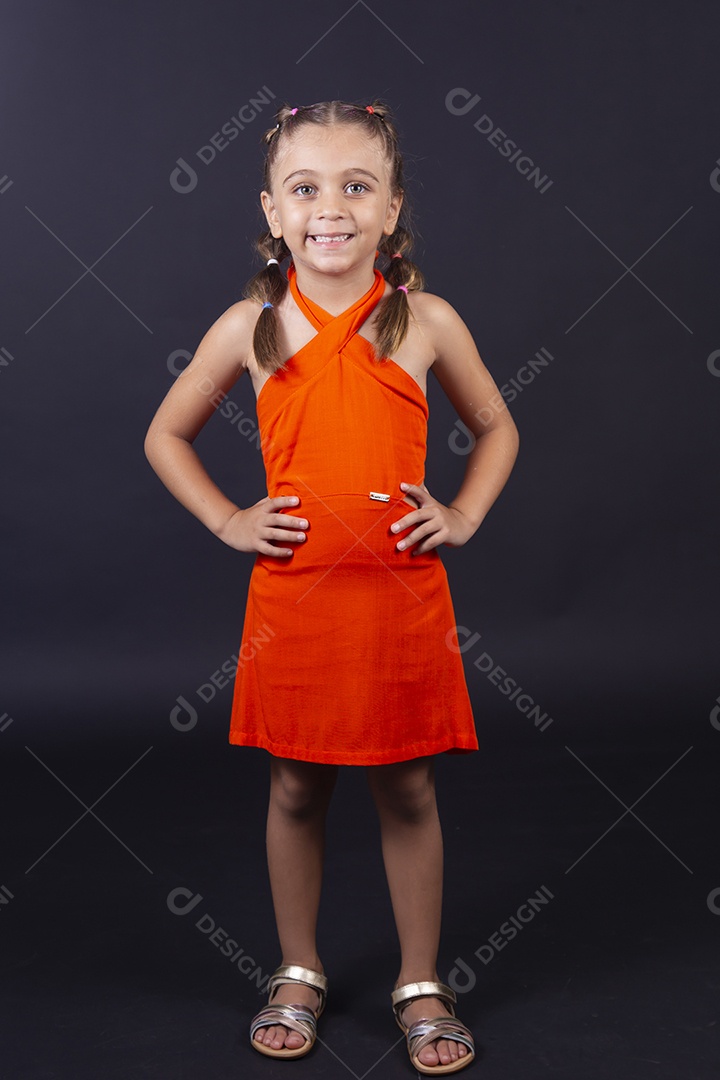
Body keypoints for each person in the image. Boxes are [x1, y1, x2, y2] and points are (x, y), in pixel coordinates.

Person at [144, 98, 519, 1075]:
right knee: (295, 784)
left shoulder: (427, 321)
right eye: (306, 188)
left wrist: (463, 514)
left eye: (357, 186)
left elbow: (498, 426)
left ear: (391, 210)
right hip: (295, 605)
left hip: (402, 602)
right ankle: (298, 968)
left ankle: (420, 981)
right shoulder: (252, 326)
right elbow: (165, 434)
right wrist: (229, 519)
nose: (331, 208)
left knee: (409, 786)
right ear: (273, 211)